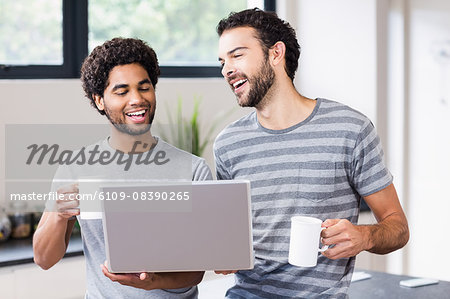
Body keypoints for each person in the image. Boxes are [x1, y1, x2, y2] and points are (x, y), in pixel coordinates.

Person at [214, 8, 409, 298]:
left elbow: (398, 227)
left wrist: (364, 236)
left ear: (276, 53)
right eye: (222, 61)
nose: (226, 70)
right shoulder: (228, 144)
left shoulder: (350, 129)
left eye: (237, 55)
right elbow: (229, 236)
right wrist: (222, 253)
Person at [33, 37, 212, 298]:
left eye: (144, 87)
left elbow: (197, 270)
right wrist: (59, 215)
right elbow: (44, 259)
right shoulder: (76, 168)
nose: (137, 99)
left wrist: (152, 281)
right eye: (122, 91)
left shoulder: (193, 169)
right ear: (99, 100)